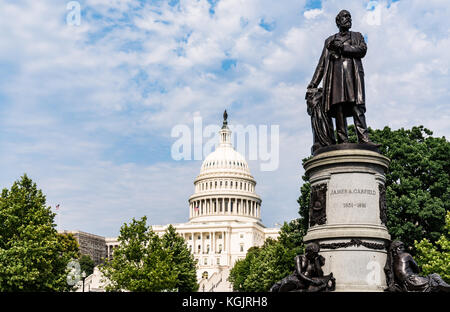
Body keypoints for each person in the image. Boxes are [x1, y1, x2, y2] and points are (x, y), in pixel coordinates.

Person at [307, 10, 376, 145]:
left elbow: (362, 50)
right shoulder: (329, 41)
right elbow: (321, 64)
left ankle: (364, 138)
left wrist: (343, 47)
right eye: (345, 17)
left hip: (352, 76)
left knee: (357, 107)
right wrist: (313, 83)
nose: (348, 19)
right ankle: (343, 140)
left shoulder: (357, 36)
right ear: (338, 21)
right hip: (335, 79)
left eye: (350, 17)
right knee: (339, 108)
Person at [384, 240, 450, 292]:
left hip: (405, 284)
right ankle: (445, 286)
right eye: (402, 247)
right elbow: (417, 269)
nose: (403, 249)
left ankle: (443, 285)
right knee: (434, 276)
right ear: (398, 248)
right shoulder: (406, 255)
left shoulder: (392, 261)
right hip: (413, 280)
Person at [269, 242, 335, 292]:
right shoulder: (299, 258)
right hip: (295, 279)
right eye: (314, 253)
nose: (316, 255)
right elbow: (299, 273)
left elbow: (320, 275)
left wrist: (317, 262)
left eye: (316, 253)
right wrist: (312, 281)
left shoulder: (315, 260)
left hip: (306, 283)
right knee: (274, 289)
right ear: (308, 252)